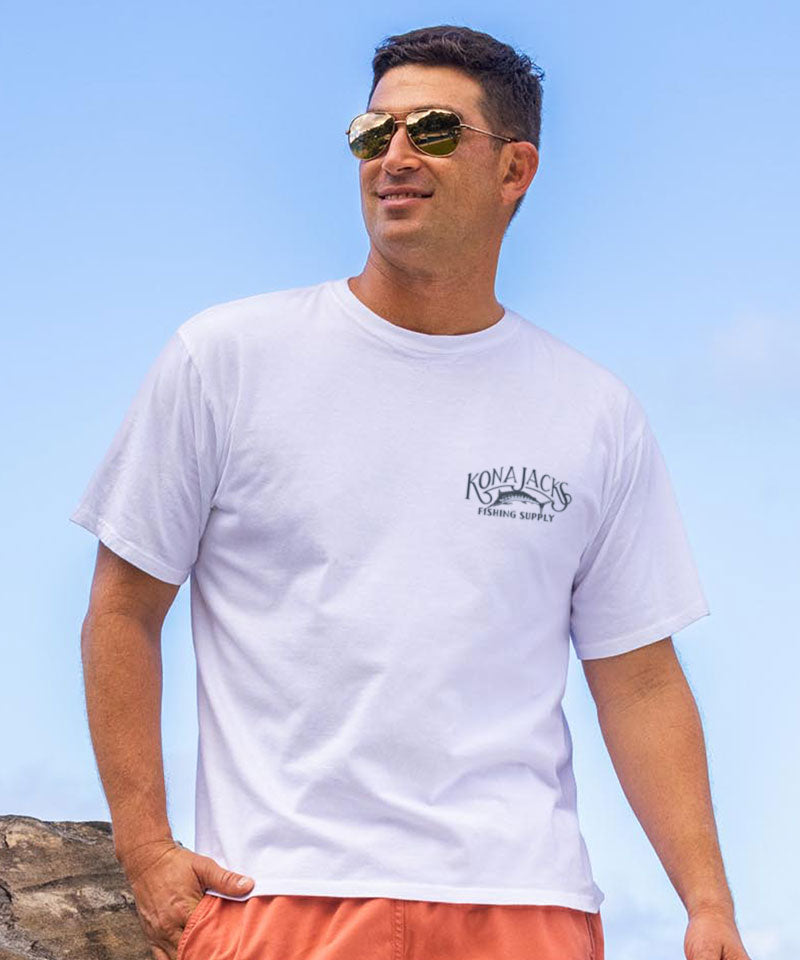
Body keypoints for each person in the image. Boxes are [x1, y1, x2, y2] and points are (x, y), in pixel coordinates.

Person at [69, 23, 752, 960]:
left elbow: (637, 679)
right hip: (281, 895)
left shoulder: (595, 412)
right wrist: (145, 852)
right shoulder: (224, 360)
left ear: (515, 171)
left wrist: (707, 902)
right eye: (371, 133)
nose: (392, 157)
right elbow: (122, 607)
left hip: (526, 907)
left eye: (431, 131)